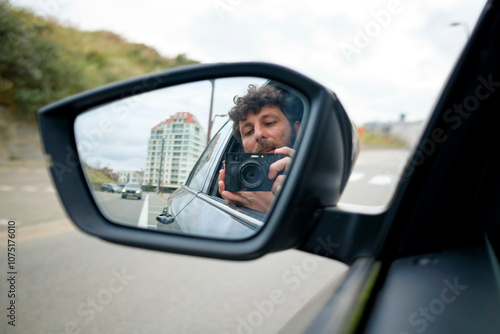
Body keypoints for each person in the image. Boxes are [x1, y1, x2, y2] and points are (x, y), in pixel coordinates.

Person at [218, 84, 302, 212]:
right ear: (243, 148)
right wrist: (256, 207)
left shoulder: (317, 177)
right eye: (248, 131)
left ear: (297, 129)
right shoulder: (246, 197)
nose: (258, 134)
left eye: (269, 123)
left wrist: (304, 183)